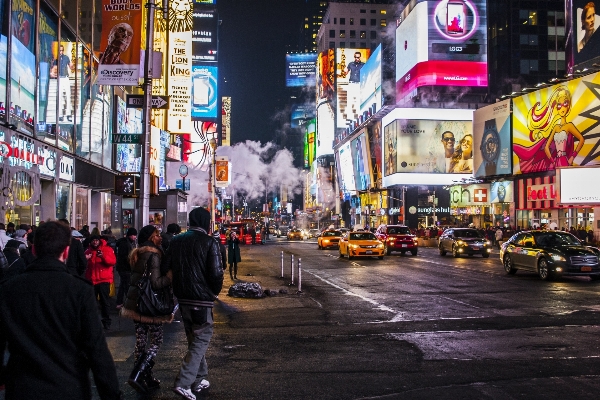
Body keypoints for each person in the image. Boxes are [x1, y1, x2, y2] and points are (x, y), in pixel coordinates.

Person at [0, 221, 121, 399]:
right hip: (68, 386)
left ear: (33, 250)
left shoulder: (10, 289)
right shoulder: (79, 290)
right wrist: (111, 394)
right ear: (65, 251)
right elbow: (97, 350)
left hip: (23, 387)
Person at [162, 207, 223, 400]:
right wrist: (213, 293)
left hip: (182, 298)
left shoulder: (177, 240)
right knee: (202, 338)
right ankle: (184, 382)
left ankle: (200, 377)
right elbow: (216, 273)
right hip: (201, 299)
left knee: (194, 338)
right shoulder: (209, 242)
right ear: (206, 222)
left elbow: (165, 267)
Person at [122, 225, 172, 394]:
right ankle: (138, 374)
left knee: (141, 342)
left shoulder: (138, 253)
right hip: (150, 305)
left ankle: (145, 376)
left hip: (135, 303)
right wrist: (170, 277)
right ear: (151, 237)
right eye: (157, 235)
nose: (160, 238)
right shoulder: (154, 255)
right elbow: (157, 283)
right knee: (156, 341)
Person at [85, 234, 117, 330]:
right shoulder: (88, 251)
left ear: (99, 241)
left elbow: (112, 261)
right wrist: (85, 259)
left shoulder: (107, 249)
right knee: (92, 303)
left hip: (104, 280)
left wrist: (103, 257)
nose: (95, 242)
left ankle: (106, 321)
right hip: (92, 280)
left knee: (104, 302)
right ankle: (93, 321)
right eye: (93, 240)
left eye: (96, 240)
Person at [115, 227, 137, 309]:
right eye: (133, 235)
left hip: (122, 267)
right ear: (129, 235)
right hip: (125, 268)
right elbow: (125, 257)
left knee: (123, 285)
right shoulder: (126, 244)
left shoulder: (125, 242)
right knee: (126, 285)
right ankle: (128, 303)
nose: (135, 237)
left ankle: (119, 302)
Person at [52, 45, 73, 122]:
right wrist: (53, 73)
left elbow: (70, 66)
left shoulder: (66, 57)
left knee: (68, 96)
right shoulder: (56, 60)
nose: (61, 52)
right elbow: (54, 69)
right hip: (60, 78)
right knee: (60, 96)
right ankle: (60, 115)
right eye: (60, 50)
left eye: (62, 50)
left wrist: (72, 66)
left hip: (66, 78)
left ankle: (68, 114)